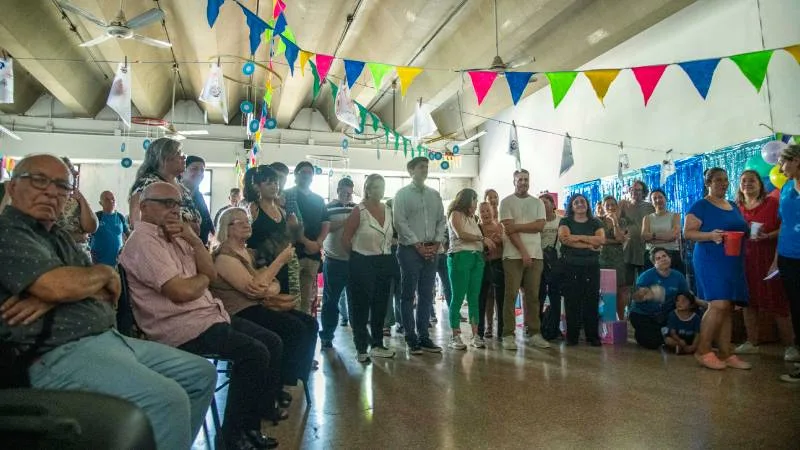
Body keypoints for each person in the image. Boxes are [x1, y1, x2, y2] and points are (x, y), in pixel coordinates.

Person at [0, 155, 216, 450]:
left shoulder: (58, 236)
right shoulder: (9, 232)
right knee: (168, 398)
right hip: (57, 352)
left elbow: (108, 292)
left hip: (109, 338)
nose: (51, 191)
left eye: (62, 186)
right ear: (12, 187)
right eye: (39, 181)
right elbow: (59, 286)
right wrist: (97, 276)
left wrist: (68, 291)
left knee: (201, 374)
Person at [118, 182, 283, 449]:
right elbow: (180, 291)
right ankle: (231, 437)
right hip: (181, 327)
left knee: (272, 342)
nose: (174, 210)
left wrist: (194, 240)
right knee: (255, 353)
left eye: (177, 204)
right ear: (145, 207)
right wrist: (203, 278)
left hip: (208, 315)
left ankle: (251, 425)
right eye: (166, 203)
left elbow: (211, 274)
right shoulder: (144, 242)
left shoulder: (177, 237)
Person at [212, 207, 318, 397]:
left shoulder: (249, 252)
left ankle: (290, 378)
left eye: (247, 220)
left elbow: (271, 282)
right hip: (238, 312)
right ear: (226, 228)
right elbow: (255, 289)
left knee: (310, 323)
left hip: (258, 304)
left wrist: (268, 287)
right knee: (293, 328)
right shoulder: (224, 257)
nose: (246, 224)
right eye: (239, 222)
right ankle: (278, 385)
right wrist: (279, 262)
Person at [684, 167, 750, 371]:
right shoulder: (700, 205)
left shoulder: (733, 205)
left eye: (726, 179)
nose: (723, 183)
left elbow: (740, 229)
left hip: (732, 260)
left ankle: (726, 352)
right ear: (708, 183)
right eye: (718, 180)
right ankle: (703, 350)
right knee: (718, 303)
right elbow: (688, 233)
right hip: (710, 258)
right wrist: (710, 236)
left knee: (728, 306)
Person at [735, 170, 792, 356]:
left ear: (760, 184)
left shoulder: (773, 203)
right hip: (745, 261)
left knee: (778, 302)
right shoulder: (736, 208)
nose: (747, 183)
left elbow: (786, 227)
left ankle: (790, 346)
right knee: (748, 302)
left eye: (752, 180)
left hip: (769, 258)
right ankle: (752, 342)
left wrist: (768, 236)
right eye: (744, 181)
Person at [393, 156, 445, 354]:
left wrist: (437, 243)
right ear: (411, 171)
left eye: (426, 167)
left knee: (426, 294)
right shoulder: (402, 195)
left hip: (432, 249)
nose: (425, 170)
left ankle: (424, 336)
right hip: (410, 250)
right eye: (421, 167)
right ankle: (411, 338)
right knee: (408, 295)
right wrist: (417, 244)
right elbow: (400, 222)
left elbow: (441, 220)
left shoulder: (434, 195)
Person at [341, 174, 396, 362]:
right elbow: (345, 239)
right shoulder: (359, 210)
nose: (380, 191)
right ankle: (361, 347)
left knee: (381, 304)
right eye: (376, 187)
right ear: (368, 189)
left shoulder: (388, 209)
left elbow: (390, 235)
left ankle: (377, 344)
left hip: (384, 261)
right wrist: (356, 257)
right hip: (362, 261)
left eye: (382, 186)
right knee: (360, 306)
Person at [499, 169, 550, 350]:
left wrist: (517, 226)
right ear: (514, 181)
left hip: (536, 255)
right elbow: (509, 230)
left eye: (526, 179)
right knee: (511, 295)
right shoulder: (506, 202)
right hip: (512, 256)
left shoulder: (538, 203)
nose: (523, 182)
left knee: (533, 296)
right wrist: (524, 253)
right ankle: (508, 334)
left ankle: (534, 333)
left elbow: (540, 226)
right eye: (520, 179)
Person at [244, 165, 301, 304]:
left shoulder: (282, 211)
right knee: (267, 303)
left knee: (286, 304)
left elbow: (288, 241)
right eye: (269, 183)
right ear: (257, 187)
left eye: (276, 183)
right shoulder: (253, 208)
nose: (274, 186)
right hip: (261, 266)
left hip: (283, 265)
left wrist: (294, 228)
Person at [446, 189, 492, 350]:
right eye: (474, 199)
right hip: (460, 257)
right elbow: (461, 234)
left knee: (474, 297)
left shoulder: (473, 218)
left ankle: (475, 335)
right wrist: (482, 238)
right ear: (467, 200)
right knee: (458, 297)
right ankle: (455, 335)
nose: (476, 203)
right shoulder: (455, 214)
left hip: (476, 258)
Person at [283, 161, 330, 314]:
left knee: (307, 298)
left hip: (313, 254)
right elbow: (286, 222)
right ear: (296, 175)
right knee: (291, 296)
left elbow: (326, 223)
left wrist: (318, 243)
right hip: (292, 253)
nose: (306, 175)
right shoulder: (286, 195)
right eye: (303, 172)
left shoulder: (318, 199)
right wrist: (305, 241)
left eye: (310, 173)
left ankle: (304, 323)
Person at [558, 194, 605, 346]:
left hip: (591, 266)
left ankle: (592, 336)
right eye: (576, 202)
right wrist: (589, 244)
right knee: (572, 300)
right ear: (571, 207)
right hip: (570, 265)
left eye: (582, 201)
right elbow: (565, 240)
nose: (580, 204)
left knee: (591, 300)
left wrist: (576, 237)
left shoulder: (596, 222)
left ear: (587, 204)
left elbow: (601, 240)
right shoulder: (565, 221)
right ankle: (572, 336)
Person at [128, 137, 199, 233]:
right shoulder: (146, 183)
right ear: (162, 158)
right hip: (157, 241)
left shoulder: (183, 188)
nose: (184, 157)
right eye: (178, 153)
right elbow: (137, 223)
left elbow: (196, 226)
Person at [320, 177, 356, 348]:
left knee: (355, 300)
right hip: (334, 260)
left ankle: (360, 336)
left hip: (354, 260)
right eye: (344, 192)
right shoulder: (327, 208)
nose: (347, 195)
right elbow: (326, 228)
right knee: (330, 301)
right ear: (338, 190)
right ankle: (327, 335)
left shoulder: (356, 208)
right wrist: (346, 222)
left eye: (350, 193)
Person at [630, 248, 691, 349]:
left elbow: (686, 295)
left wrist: (702, 303)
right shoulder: (646, 276)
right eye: (658, 258)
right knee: (649, 340)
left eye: (664, 256)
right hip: (643, 315)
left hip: (665, 316)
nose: (662, 259)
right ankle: (668, 342)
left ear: (669, 258)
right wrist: (647, 295)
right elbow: (635, 296)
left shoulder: (678, 276)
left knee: (686, 332)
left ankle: (669, 339)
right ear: (654, 263)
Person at [774, 144, 800, 382]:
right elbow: (783, 223)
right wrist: (776, 259)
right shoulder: (786, 188)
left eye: (783, 162)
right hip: (788, 257)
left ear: (796, 160)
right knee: (796, 307)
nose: (780, 168)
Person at [620, 180, 655, 298]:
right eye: (632, 189)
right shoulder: (624, 205)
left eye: (638, 190)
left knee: (644, 283)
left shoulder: (650, 207)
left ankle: (642, 306)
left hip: (644, 250)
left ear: (644, 192)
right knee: (626, 284)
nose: (635, 192)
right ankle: (628, 307)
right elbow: (615, 221)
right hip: (628, 250)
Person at [57, 157, 98, 256]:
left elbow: (92, 227)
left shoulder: (76, 199)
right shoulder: (46, 199)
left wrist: (81, 199)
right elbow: (41, 234)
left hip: (80, 257)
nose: (76, 173)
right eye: (71, 169)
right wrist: (76, 237)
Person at [599, 195, 631, 321]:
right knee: (606, 291)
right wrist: (616, 241)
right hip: (602, 258)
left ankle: (620, 319)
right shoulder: (598, 221)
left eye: (613, 204)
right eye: (607, 205)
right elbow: (600, 240)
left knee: (620, 289)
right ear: (603, 207)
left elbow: (619, 238)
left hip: (618, 259)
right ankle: (608, 319)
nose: (610, 207)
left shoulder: (622, 221)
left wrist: (614, 222)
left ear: (617, 206)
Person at [537, 193, 562, 341]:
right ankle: (538, 327)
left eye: (545, 202)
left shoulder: (561, 221)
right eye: (540, 203)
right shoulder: (537, 222)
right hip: (540, 262)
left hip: (556, 262)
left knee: (555, 296)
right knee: (539, 296)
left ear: (553, 204)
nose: (543, 205)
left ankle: (554, 327)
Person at [642, 188, 684, 274]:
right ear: (651, 202)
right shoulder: (647, 218)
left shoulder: (675, 216)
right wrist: (666, 237)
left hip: (671, 254)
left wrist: (652, 237)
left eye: (660, 197)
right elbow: (644, 237)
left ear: (665, 199)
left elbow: (673, 236)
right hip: (652, 256)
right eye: (655, 198)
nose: (658, 200)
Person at [478, 201, 504, 340]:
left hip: (498, 264)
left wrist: (500, 241)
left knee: (501, 299)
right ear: (479, 214)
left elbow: (506, 244)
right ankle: (480, 332)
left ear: (493, 211)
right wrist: (485, 243)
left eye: (487, 210)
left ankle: (501, 332)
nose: (485, 213)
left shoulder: (499, 226)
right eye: (482, 211)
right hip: (483, 266)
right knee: (482, 298)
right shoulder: (477, 228)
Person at [90, 191, 129, 267]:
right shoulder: (96, 217)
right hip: (99, 264)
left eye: (113, 199)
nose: (111, 201)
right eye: (107, 199)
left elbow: (129, 235)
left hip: (118, 263)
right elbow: (86, 235)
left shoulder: (120, 217)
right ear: (100, 203)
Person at [182, 155, 215, 246]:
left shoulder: (199, 195)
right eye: (194, 169)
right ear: (182, 172)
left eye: (202, 170)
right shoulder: (175, 193)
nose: (199, 173)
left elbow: (207, 222)